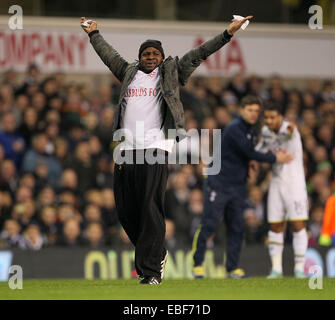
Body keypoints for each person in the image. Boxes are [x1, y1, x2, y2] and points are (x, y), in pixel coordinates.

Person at [81, 14, 252, 285]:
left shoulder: (172, 72)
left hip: (157, 147)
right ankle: (157, 252)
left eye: (155, 53)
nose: (151, 56)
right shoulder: (128, 72)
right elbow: (107, 54)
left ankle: (150, 272)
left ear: (162, 57)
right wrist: (94, 34)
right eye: (146, 53)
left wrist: (227, 33)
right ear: (140, 57)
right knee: (126, 211)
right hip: (126, 149)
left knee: (150, 207)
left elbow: (200, 54)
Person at [192, 96, 293, 279]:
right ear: (242, 110)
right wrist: (275, 159)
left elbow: (244, 155)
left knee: (237, 227)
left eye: (256, 111)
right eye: (250, 110)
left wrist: (251, 164)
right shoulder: (234, 129)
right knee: (209, 224)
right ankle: (197, 265)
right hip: (218, 182)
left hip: (238, 186)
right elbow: (248, 151)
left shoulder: (252, 131)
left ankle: (232, 268)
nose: (254, 114)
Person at [256, 104, 309, 278]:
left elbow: (292, 130)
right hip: (276, 183)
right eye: (267, 118)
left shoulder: (288, 129)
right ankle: (276, 269)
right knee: (275, 225)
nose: (269, 121)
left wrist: (292, 127)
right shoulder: (266, 132)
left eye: (273, 117)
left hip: (295, 184)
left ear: (281, 117)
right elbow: (260, 151)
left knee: (298, 224)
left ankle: (299, 268)